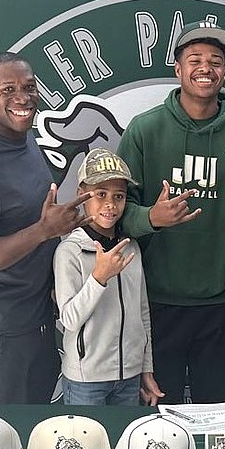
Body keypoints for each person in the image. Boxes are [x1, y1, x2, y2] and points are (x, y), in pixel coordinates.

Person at [117, 21, 225, 404]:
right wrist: (151, 219)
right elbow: (113, 212)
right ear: (178, 70)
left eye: (215, 60)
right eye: (194, 59)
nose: (205, 68)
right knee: (159, 420)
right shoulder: (144, 131)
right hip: (157, 302)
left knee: (220, 413)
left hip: (222, 302)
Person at [0, 52, 91, 404]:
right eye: (7, 89)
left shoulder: (21, 138)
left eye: (28, 87)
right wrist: (43, 231)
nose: (22, 98)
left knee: (33, 438)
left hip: (34, 321)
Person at [53, 148, 163, 406]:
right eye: (100, 194)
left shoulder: (130, 247)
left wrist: (145, 368)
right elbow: (68, 318)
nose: (110, 205)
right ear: (82, 195)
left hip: (130, 376)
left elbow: (142, 312)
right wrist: (98, 278)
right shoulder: (70, 250)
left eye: (119, 196)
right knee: (86, 445)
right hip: (86, 380)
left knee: (124, 444)